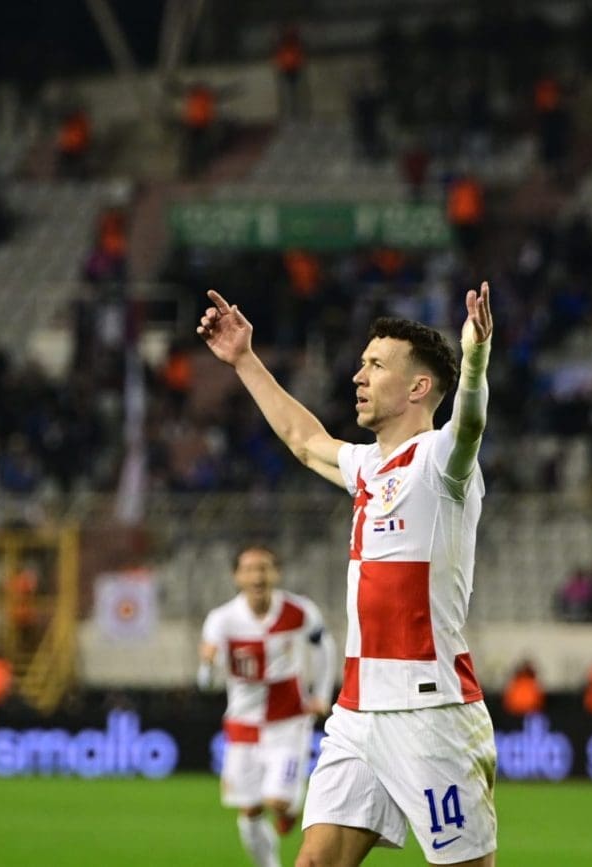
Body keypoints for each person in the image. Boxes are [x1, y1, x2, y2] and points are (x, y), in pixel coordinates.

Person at [197, 281, 497, 866]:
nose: (358, 376)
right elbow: (304, 441)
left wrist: (476, 357)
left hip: (430, 710)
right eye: (362, 363)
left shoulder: (441, 460)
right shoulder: (368, 466)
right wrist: (244, 359)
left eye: (376, 365)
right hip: (356, 710)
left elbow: (469, 424)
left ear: (418, 387)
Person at [199, 545, 337, 867]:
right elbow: (206, 685)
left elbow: (325, 647)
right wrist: (207, 665)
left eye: (263, 568)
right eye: (249, 569)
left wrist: (321, 694)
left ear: (276, 573)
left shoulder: (299, 610)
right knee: (249, 811)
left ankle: (289, 809)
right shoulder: (222, 620)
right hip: (243, 725)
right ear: (237, 576)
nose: (257, 576)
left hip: (288, 722)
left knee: (277, 801)